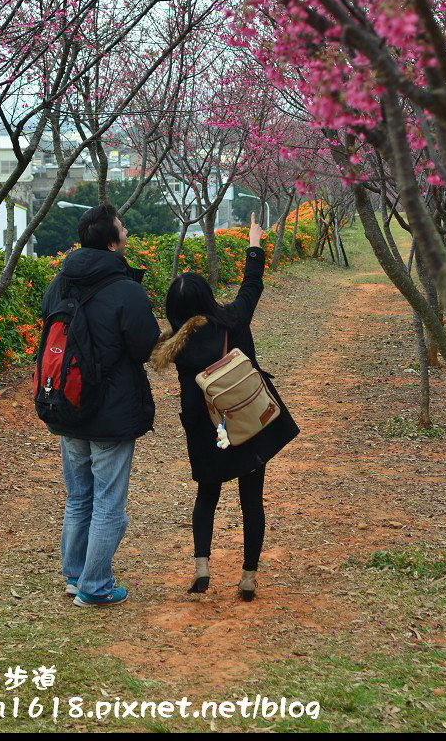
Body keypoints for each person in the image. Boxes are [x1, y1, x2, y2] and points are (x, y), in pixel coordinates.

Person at [151, 213, 299, 600]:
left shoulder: (175, 345)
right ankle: (248, 577)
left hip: (207, 429)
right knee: (252, 499)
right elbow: (252, 286)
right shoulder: (233, 319)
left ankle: (202, 567)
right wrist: (254, 245)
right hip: (246, 419)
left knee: (207, 494)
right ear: (206, 298)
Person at [40, 203, 160, 607]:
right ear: (112, 241)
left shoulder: (60, 282)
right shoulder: (125, 288)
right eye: (122, 228)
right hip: (110, 412)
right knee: (108, 502)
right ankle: (94, 587)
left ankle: (76, 576)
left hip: (66, 403)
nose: (126, 232)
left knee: (78, 497)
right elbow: (145, 348)